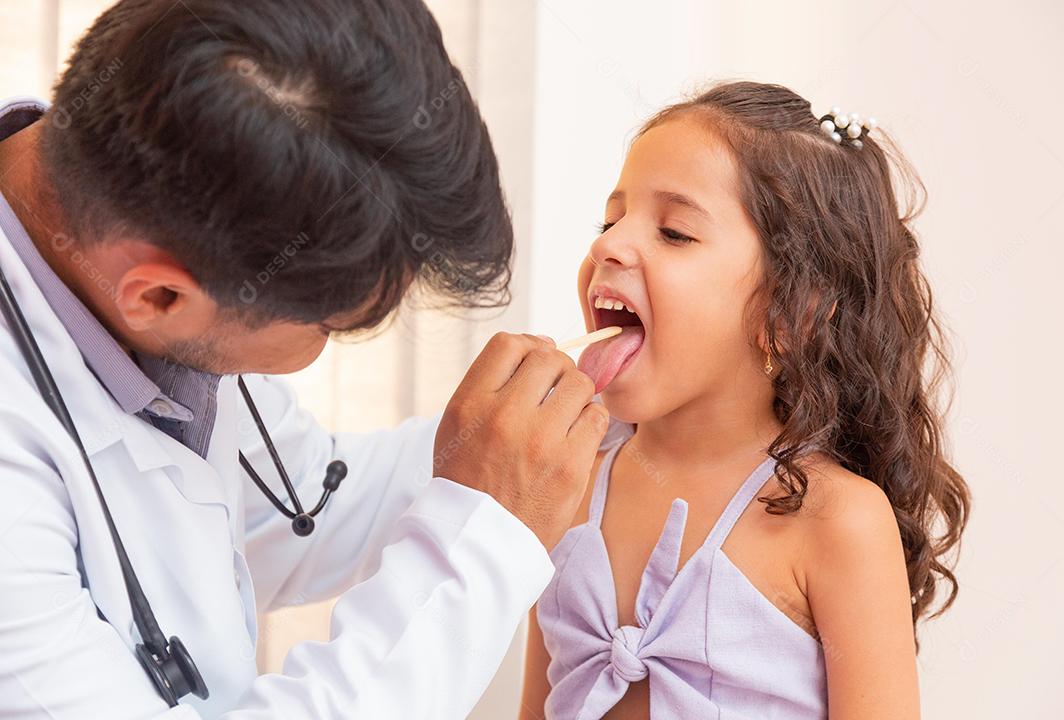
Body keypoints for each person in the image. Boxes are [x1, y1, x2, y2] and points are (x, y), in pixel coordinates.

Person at [0, 0, 608, 717]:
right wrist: (480, 550)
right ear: (162, 297)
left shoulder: (153, 244)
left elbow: (296, 504)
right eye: (328, 325)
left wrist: (514, 445)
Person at [519, 81, 972, 719]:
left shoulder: (837, 522)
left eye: (674, 232)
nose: (608, 245)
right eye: (611, 219)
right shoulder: (566, 480)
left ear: (790, 314)